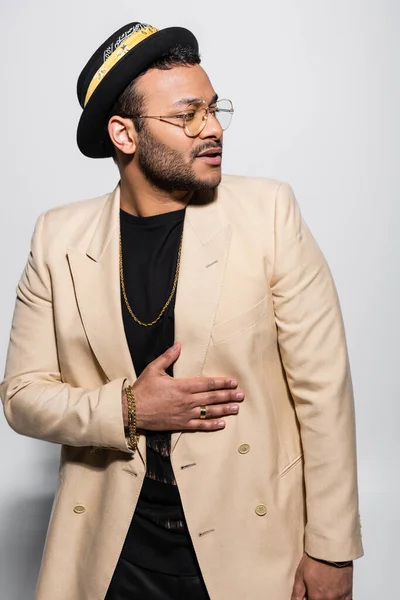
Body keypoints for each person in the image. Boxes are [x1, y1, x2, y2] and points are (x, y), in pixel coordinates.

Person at [0, 20, 363, 600]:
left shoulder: (268, 212)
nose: (213, 128)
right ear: (124, 134)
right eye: (187, 115)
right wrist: (128, 407)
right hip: (112, 551)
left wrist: (331, 549)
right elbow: (21, 397)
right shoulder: (57, 239)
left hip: (250, 543)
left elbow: (324, 392)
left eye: (215, 109)